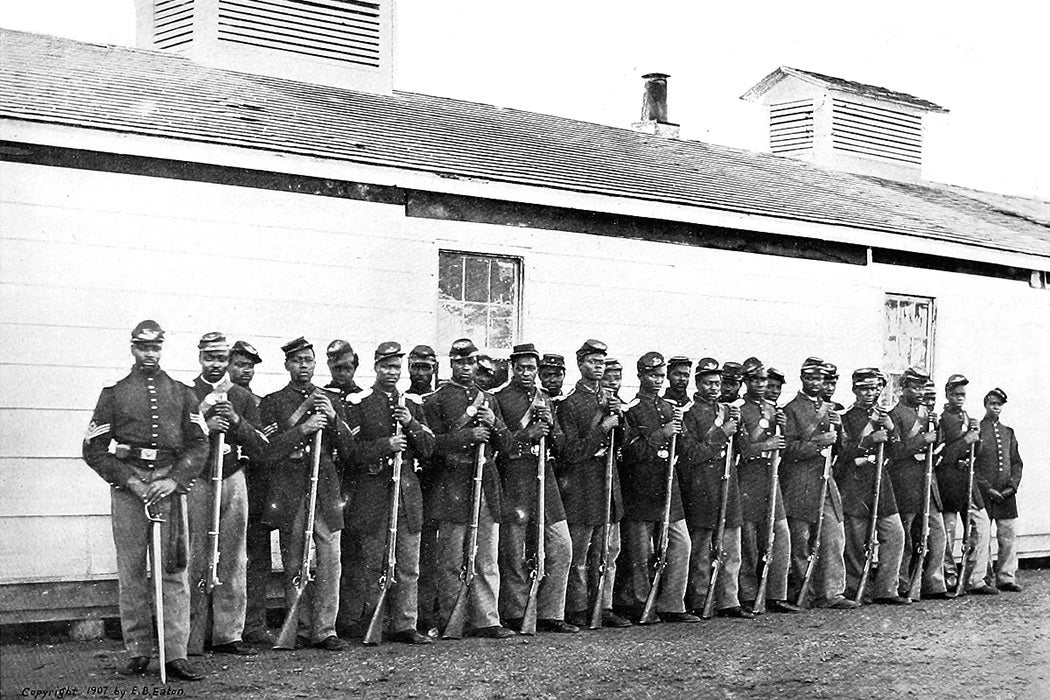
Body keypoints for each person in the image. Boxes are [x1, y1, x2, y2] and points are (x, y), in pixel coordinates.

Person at [82, 320, 209, 680]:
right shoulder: (114, 394)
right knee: (132, 572)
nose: (149, 354)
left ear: (162, 349)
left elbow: (199, 444)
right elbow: (93, 448)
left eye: (155, 348)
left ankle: (176, 654)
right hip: (129, 489)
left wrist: (174, 480)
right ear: (133, 348)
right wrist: (132, 482)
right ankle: (137, 651)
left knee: (173, 570)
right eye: (142, 347)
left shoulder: (183, 393)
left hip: (168, 487)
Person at [259, 337, 356, 650]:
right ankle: (298, 627)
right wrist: (303, 428)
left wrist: (334, 419)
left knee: (330, 560)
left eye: (309, 361)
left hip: (326, 489)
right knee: (294, 561)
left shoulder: (331, 399)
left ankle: (325, 629)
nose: (303, 366)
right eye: (298, 360)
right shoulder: (273, 402)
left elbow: (350, 450)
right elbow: (268, 451)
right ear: (287, 364)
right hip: (291, 488)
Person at [341, 342, 436, 644]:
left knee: (408, 564)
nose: (392, 372)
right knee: (374, 563)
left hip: (407, 491)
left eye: (396, 367)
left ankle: (406, 624)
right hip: (374, 492)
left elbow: (429, 449)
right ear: (376, 367)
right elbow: (350, 452)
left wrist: (410, 423)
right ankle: (374, 622)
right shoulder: (359, 403)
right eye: (386, 366)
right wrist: (386, 446)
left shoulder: (414, 404)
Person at [423, 338, 515, 638]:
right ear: (451, 363)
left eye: (471, 362)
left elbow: (507, 445)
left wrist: (495, 424)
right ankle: (453, 619)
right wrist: (467, 436)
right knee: (452, 557)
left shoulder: (489, 400)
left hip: (485, 482)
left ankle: (488, 619)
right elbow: (430, 445)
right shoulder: (436, 400)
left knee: (486, 557)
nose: (466, 367)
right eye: (460, 362)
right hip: (453, 482)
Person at [187, 332, 268, 656]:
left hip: (233, 478)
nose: (216, 364)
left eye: (221, 358)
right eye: (210, 357)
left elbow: (262, 447)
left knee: (234, 558)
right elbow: (178, 443)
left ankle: (229, 634)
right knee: (197, 556)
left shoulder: (243, 397)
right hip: (199, 480)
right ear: (200, 358)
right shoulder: (187, 394)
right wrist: (207, 425)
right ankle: (194, 633)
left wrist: (235, 420)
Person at [493, 343, 577, 633]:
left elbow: (562, 446)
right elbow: (499, 446)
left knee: (561, 545)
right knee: (515, 549)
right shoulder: (500, 399)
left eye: (532, 368)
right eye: (522, 367)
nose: (527, 373)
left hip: (546, 477)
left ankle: (551, 612)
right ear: (512, 368)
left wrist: (551, 427)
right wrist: (526, 434)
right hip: (515, 478)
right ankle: (517, 612)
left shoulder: (545, 398)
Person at [615, 352, 699, 624]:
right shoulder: (632, 408)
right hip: (641, 486)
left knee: (680, 544)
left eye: (661, 376)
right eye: (652, 375)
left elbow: (683, 448)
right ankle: (640, 604)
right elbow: (628, 452)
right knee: (641, 553)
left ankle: (672, 603)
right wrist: (660, 435)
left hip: (667, 485)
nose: (658, 380)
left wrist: (680, 430)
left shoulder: (668, 407)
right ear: (640, 375)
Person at [556, 340, 631, 629]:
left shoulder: (610, 399)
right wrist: (603, 428)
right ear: (580, 364)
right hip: (583, 487)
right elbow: (571, 451)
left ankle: (605, 604)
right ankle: (577, 608)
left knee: (608, 552)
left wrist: (619, 419)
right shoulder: (570, 404)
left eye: (601, 362)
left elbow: (623, 444)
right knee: (581, 553)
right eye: (592, 362)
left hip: (608, 485)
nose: (598, 367)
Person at [781, 358, 857, 609]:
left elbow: (843, 451)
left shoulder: (831, 408)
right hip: (800, 480)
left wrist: (839, 431)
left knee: (834, 536)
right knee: (801, 540)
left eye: (820, 379)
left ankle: (832, 592)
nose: (816, 383)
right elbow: (788, 449)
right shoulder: (791, 409)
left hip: (825, 478)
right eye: (811, 378)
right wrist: (817, 443)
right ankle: (805, 592)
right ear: (802, 379)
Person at [679, 358, 750, 618]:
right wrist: (722, 433)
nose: (713, 388)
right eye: (708, 383)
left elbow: (744, 448)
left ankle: (729, 600)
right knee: (701, 550)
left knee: (731, 548)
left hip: (727, 486)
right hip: (702, 487)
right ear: (698, 383)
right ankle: (699, 599)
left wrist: (738, 427)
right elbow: (691, 453)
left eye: (717, 383)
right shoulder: (690, 412)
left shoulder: (727, 410)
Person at [835, 368, 909, 605]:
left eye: (876, 388)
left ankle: (887, 589)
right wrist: (869, 440)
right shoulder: (846, 417)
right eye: (865, 388)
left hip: (881, 481)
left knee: (895, 533)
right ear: (855, 389)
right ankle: (856, 588)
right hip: (856, 485)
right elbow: (843, 452)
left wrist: (892, 429)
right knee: (856, 541)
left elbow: (898, 453)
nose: (871, 393)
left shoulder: (885, 416)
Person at [735, 359, 798, 614]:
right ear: (746, 382)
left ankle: (776, 593)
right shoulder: (739, 409)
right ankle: (749, 594)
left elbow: (785, 442)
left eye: (763, 380)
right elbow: (742, 449)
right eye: (755, 380)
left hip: (770, 477)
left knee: (780, 536)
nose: (760, 385)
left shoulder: (773, 410)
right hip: (748, 477)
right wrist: (765, 446)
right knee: (749, 539)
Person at [227, 340, 277, 645]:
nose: (245, 371)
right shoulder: (214, 398)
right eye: (239, 364)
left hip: (255, 488)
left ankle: (254, 624)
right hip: (226, 485)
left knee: (257, 558)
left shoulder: (259, 403)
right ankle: (222, 625)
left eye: (250, 366)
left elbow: (267, 447)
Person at [886, 367, 950, 600]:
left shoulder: (926, 412)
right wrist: (923, 439)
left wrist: (937, 429)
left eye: (923, 387)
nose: (920, 391)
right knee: (908, 537)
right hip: (906, 482)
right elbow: (895, 450)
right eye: (915, 387)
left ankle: (933, 583)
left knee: (937, 534)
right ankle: (902, 584)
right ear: (902, 388)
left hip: (927, 482)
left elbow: (939, 443)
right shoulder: (895, 415)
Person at [936, 375, 995, 595]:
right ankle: (950, 578)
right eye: (955, 394)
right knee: (948, 533)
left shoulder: (966, 416)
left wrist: (976, 438)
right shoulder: (942, 419)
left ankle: (975, 578)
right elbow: (942, 455)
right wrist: (965, 441)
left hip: (967, 481)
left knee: (982, 526)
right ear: (947, 395)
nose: (959, 398)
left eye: (962, 395)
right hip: (949, 481)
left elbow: (975, 453)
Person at [973, 388, 1024, 593]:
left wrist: (1012, 487)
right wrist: (987, 488)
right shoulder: (977, 430)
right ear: (985, 404)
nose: (996, 407)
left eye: (999, 404)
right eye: (992, 403)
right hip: (986, 493)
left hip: (1006, 494)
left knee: (1008, 534)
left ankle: (1006, 577)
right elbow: (973, 465)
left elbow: (1016, 463)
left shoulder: (1008, 432)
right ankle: (982, 578)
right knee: (982, 536)